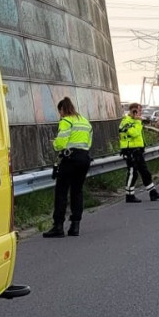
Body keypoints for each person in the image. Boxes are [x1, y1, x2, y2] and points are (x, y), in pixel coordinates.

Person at [44, 96, 92, 238]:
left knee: (61, 192)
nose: (60, 115)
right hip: (84, 158)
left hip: (70, 159)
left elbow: (61, 143)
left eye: (60, 112)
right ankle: (75, 226)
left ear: (62, 110)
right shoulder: (85, 121)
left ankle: (58, 226)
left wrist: (55, 144)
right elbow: (88, 142)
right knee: (77, 191)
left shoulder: (66, 121)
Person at [120, 103, 159, 203]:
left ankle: (153, 193)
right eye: (138, 111)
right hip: (129, 150)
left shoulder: (135, 122)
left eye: (140, 111)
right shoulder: (126, 122)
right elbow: (134, 133)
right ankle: (129, 195)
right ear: (133, 111)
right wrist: (138, 122)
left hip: (137, 150)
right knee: (133, 173)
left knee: (145, 172)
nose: (140, 113)